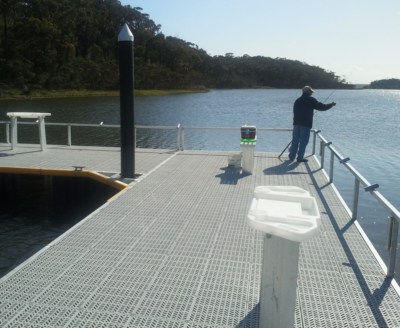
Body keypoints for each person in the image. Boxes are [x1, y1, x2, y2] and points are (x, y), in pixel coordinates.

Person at [289, 86, 336, 162]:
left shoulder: (297, 100)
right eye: (311, 92)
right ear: (309, 92)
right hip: (305, 124)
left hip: (296, 124)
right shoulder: (311, 100)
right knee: (303, 142)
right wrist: (331, 104)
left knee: (295, 140)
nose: (311, 93)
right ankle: (300, 158)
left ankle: (291, 156)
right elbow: (321, 107)